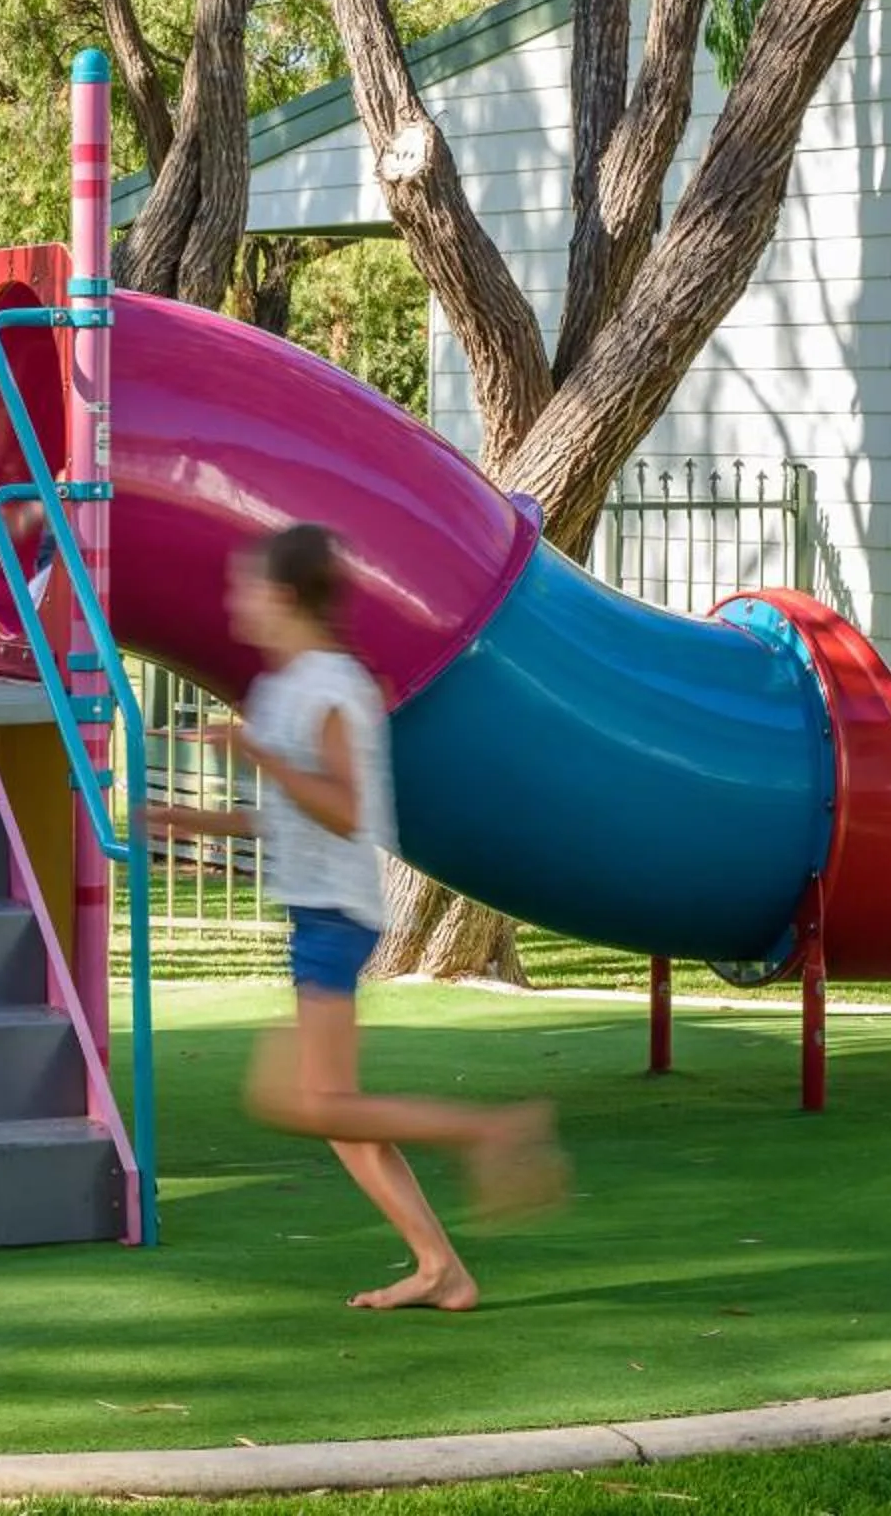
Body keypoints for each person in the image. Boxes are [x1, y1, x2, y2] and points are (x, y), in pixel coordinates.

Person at [145, 522, 567, 1311]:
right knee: (334, 1116)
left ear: (283, 596)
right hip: (316, 915)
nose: (235, 603)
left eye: (246, 589)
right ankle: (441, 1267)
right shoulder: (280, 689)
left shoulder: (334, 689)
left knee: (307, 1103)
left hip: (338, 916)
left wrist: (259, 756)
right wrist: (177, 819)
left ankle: (491, 1132)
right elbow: (288, 816)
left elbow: (342, 812)